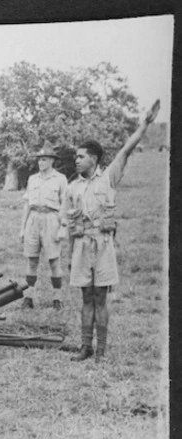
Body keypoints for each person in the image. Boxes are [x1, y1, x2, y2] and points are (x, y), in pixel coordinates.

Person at [64, 100, 160, 363]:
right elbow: (70, 226)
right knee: (86, 298)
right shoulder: (72, 188)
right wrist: (71, 255)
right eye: (76, 156)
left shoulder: (109, 177)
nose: (77, 160)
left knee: (100, 298)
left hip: (103, 245)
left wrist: (145, 124)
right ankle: (86, 347)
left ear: (93, 159)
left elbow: (127, 150)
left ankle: (102, 349)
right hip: (82, 246)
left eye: (81, 156)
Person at [18, 144, 69, 310]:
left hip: (51, 218)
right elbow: (27, 204)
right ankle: (29, 297)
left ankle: (57, 299)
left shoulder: (60, 179)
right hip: (34, 218)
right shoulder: (33, 179)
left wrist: (62, 226)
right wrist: (23, 228)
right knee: (31, 259)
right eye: (39, 159)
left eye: (45, 159)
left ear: (52, 161)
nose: (41, 163)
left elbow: (65, 204)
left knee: (54, 260)